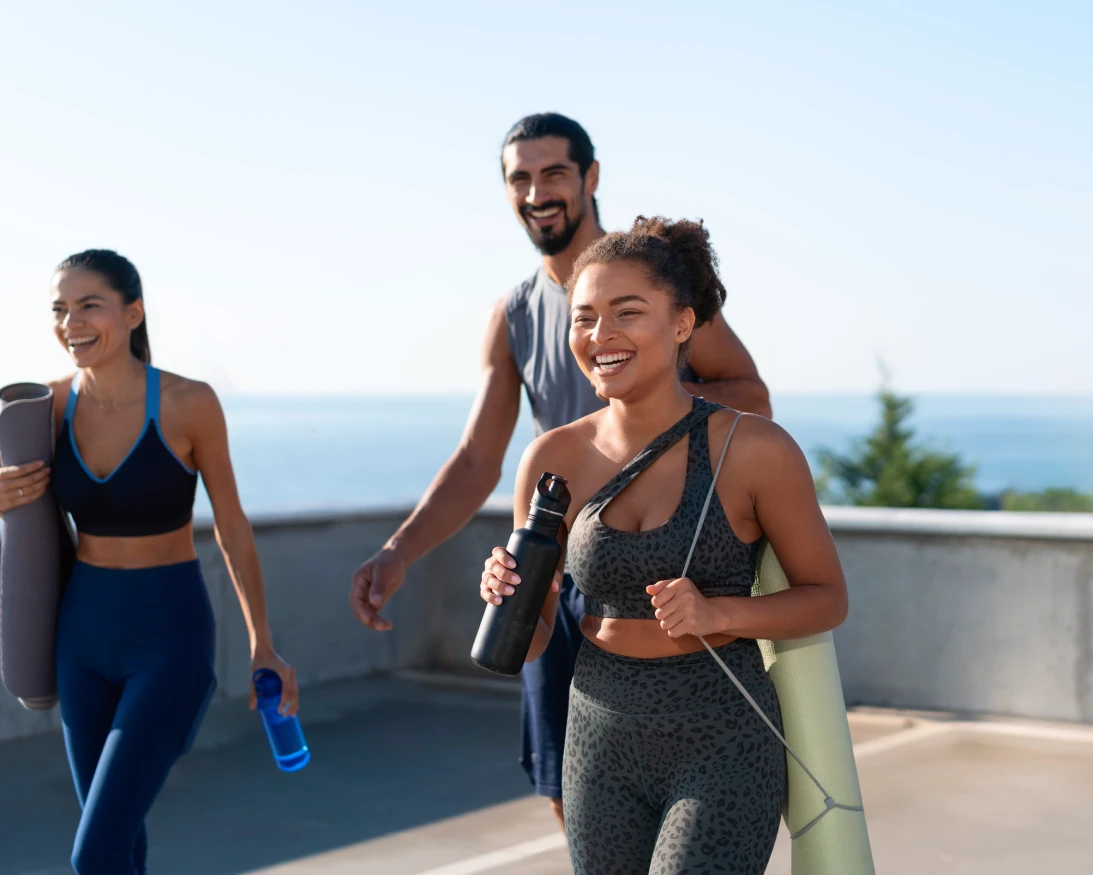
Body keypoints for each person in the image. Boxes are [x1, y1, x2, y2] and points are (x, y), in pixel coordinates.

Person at [349, 113, 771, 831]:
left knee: (688, 800)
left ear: (590, 178)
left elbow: (751, 398)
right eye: (520, 177)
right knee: (568, 794)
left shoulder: (650, 282)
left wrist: (638, 422)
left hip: (663, 569)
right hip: (560, 575)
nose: (537, 191)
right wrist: (400, 549)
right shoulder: (513, 313)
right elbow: (479, 456)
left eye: (553, 173)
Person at [479, 216, 849, 874]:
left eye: (627, 312)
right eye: (584, 317)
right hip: (598, 737)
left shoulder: (753, 448)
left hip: (722, 737)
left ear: (681, 323)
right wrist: (506, 595)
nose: (601, 336)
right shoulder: (552, 457)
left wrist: (719, 613)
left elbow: (826, 598)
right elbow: (535, 639)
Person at [0, 250, 298, 875]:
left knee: (95, 853)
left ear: (132, 312)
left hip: (168, 637)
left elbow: (233, 528)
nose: (70, 322)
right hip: (80, 637)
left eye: (89, 305)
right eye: (59, 309)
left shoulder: (190, 403)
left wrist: (262, 642)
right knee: (120, 845)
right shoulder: (44, 409)